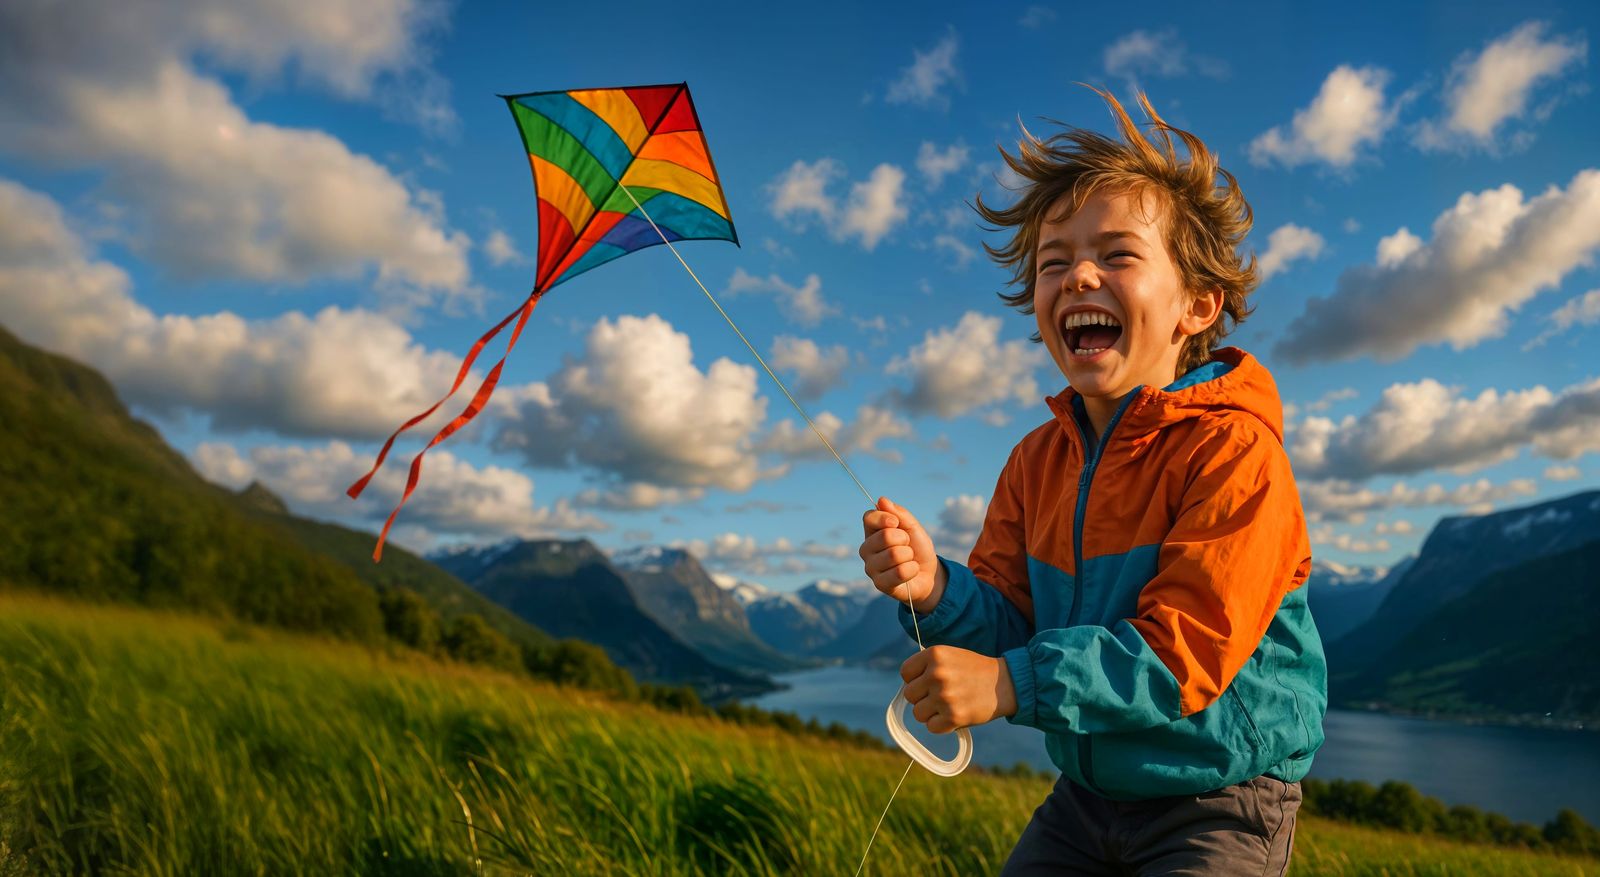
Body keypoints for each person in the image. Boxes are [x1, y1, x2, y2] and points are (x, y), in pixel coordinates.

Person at [858, 87, 1325, 875]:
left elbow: (1185, 654)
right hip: (1084, 795)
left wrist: (1010, 684)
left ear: (1198, 305)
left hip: (1220, 800)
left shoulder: (1236, 453)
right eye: (1054, 262)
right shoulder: (1034, 463)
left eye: (1116, 255)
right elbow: (1011, 620)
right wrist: (935, 588)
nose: (1078, 276)